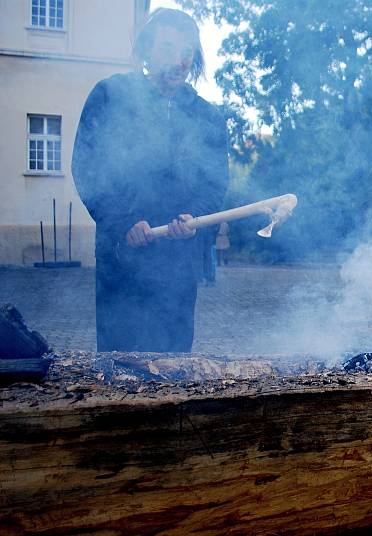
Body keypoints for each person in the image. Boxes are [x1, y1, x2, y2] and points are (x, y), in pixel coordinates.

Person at [72, 8, 229, 352]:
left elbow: (214, 184)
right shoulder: (110, 96)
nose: (179, 61)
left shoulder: (207, 117)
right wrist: (123, 221)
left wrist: (196, 219)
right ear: (146, 50)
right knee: (121, 370)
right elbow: (87, 166)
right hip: (122, 262)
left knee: (173, 371)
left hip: (178, 267)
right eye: (169, 49)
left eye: (187, 52)